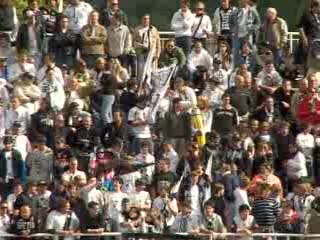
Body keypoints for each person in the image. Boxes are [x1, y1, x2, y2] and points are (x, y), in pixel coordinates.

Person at [134, 14, 161, 79]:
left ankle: (150, 87)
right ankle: (141, 86)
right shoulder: (137, 29)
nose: (146, 20)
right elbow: (133, 42)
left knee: (152, 72)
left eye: (147, 19)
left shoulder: (153, 29)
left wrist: (157, 54)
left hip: (152, 54)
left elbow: (158, 43)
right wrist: (141, 46)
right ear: (141, 20)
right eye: (144, 19)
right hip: (141, 54)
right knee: (141, 72)